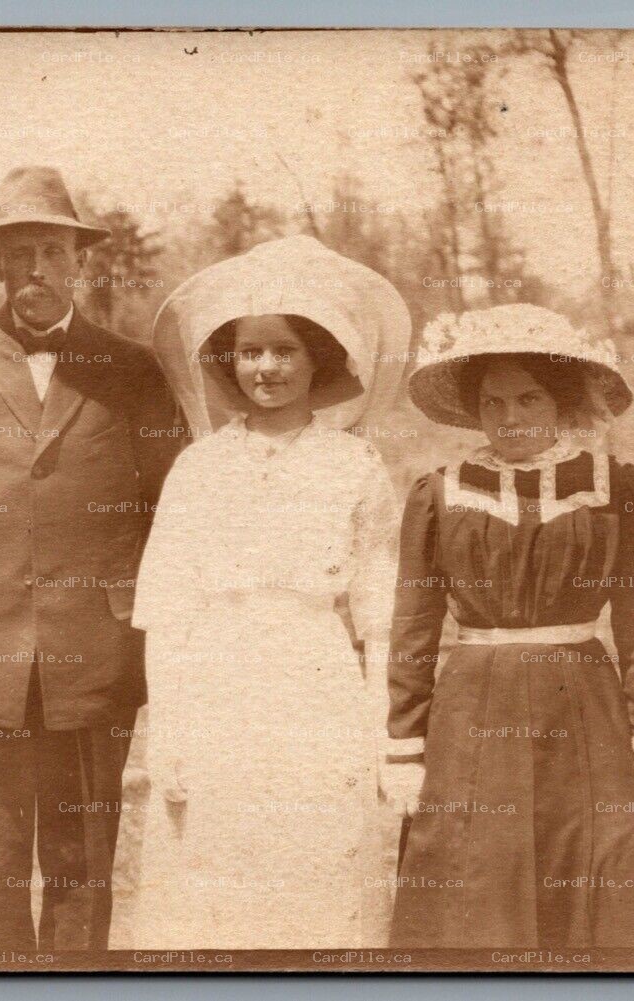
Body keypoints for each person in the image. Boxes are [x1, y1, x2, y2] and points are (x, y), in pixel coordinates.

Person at [0, 166, 187, 952]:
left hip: (92, 662)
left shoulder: (133, 370)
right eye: (18, 251)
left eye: (51, 250)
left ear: (79, 262)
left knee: (81, 875)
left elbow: (166, 502)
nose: (34, 268)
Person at [383, 303, 634, 948]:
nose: (511, 418)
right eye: (494, 402)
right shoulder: (438, 493)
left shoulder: (616, 488)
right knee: (477, 876)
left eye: (529, 398)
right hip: (473, 711)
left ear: (559, 400)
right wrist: (404, 748)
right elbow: (413, 629)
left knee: (602, 867)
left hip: (584, 707)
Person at [130, 235, 411, 948]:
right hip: (216, 693)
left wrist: (383, 735)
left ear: (317, 358)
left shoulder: (355, 465)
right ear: (230, 360)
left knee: (313, 876)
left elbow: (380, 617)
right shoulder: (199, 468)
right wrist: (168, 739)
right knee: (216, 881)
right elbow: (167, 615)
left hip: (317, 691)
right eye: (250, 350)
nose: (266, 367)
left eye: (285, 349)